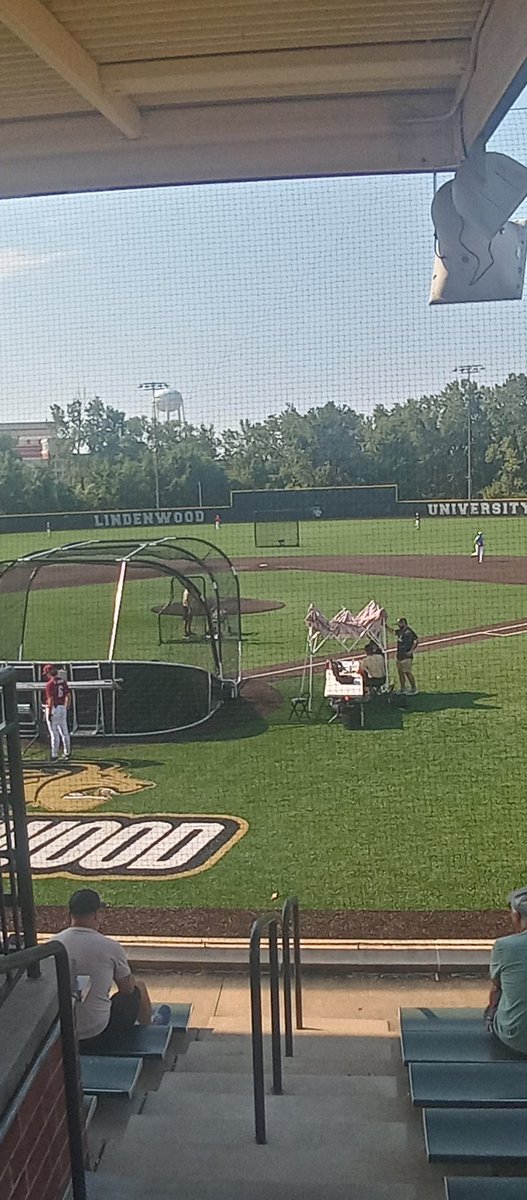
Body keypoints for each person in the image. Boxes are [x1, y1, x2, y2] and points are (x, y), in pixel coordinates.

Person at [55, 888, 170, 1052]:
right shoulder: (110, 947)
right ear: (96, 915)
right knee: (139, 988)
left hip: (62, 1036)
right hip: (98, 1035)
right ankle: (150, 1027)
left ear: (70, 914)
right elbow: (128, 988)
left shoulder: (52, 945)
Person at [485, 886, 527, 1057]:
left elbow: (497, 988)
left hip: (516, 1037)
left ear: (516, 916)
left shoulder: (505, 946)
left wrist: (490, 1014)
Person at [44, 663, 71, 761]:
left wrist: (50, 712)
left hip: (54, 708)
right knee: (65, 731)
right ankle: (67, 752)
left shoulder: (50, 684)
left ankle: (54, 755)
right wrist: (66, 706)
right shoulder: (63, 681)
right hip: (62, 707)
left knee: (54, 733)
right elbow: (68, 695)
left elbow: (50, 699)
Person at [390, 617, 418, 694]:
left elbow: (416, 641)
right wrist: (385, 626)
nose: (398, 625)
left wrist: (411, 651)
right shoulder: (401, 631)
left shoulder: (409, 632)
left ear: (403, 623)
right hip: (399, 655)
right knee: (400, 673)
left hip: (406, 656)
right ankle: (403, 688)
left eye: (399, 623)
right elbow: (393, 632)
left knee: (407, 672)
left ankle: (414, 688)